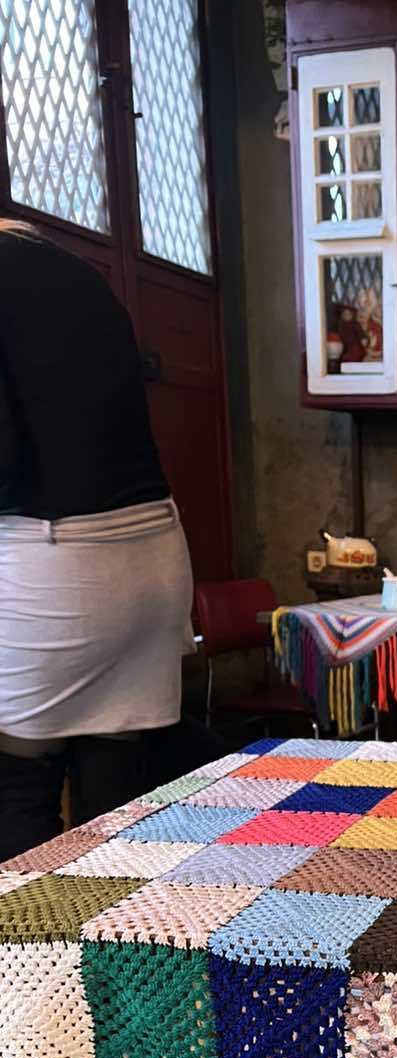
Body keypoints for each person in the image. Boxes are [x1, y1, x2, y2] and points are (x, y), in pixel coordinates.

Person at [0, 221, 194, 854]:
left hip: (58, 566)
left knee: (19, 789)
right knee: (115, 802)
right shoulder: (76, 272)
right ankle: (118, 922)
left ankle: (30, 925)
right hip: (155, 553)